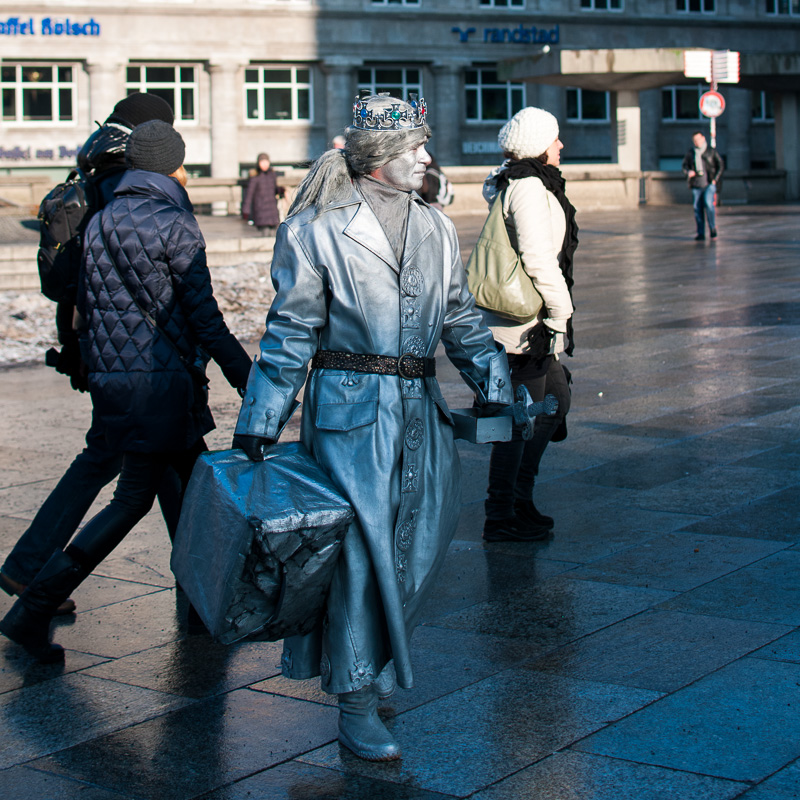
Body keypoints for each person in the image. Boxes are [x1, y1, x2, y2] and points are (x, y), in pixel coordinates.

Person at [232, 93, 512, 762]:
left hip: (422, 410)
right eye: (414, 146)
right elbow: (291, 330)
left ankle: (370, 662)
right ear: (376, 158)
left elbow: (460, 318)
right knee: (361, 558)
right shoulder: (315, 230)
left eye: (424, 144)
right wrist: (261, 418)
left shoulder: (437, 227)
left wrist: (496, 387)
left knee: (418, 550)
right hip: (350, 414)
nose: (426, 156)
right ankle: (357, 699)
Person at [0, 120, 252, 664]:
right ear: (173, 165)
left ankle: (201, 611)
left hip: (117, 384)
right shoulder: (175, 223)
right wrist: (248, 378)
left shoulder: (101, 219)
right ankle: (32, 610)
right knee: (133, 501)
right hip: (161, 389)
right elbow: (204, 319)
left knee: (189, 496)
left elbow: (91, 309)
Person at [0, 93, 178, 614]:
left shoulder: (92, 164)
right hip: (134, 352)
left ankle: (199, 584)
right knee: (115, 456)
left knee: (153, 461)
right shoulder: (124, 176)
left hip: (98, 343)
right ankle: (32, 574)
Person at [480, 107, 577, 543]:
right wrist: (561, 311)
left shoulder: (523, 181)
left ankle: (519, 498)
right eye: (555, 139)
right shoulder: (529, 187)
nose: (561, 145)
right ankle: (501, 515)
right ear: (539, 144)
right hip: (522, 328)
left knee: (555, 399)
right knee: (520, 421)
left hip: (531, 326)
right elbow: (538, 258)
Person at [682, 130, 724, 241]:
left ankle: (712, 229)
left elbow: (720, 165)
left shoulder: (711, 151)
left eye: (699, 139)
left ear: (703, 138)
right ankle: (700, 233)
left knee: (708, 204)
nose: (697, 142)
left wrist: (715, 179)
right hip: (696, 185)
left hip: (709, 183)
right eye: (695, 140)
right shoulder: (691, 153)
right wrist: (688, 172)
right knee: (697, 208)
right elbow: (684, 166)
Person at [242, 153, 283, 236]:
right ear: (258, 163)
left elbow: (275, 190)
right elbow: (249, 195)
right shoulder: (255, 176)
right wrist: (246, 211)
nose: (264, 164)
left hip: (272, 211)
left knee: (275, 236)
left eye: (266, 162)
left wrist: (281, 191)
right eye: (262, 162)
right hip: (261, 211)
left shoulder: (272, 175)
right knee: (265, 234)